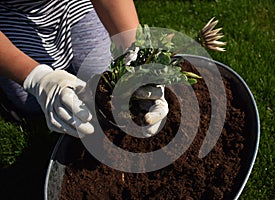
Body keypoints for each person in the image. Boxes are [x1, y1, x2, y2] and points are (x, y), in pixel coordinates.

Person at [0, 0, 168, 138]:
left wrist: (136, 53)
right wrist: (36, 78)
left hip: (72, 4)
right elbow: (37, 81)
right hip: (10, 14)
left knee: (103, 79)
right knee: (30, 102)